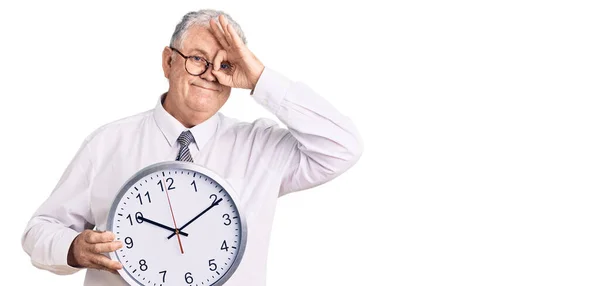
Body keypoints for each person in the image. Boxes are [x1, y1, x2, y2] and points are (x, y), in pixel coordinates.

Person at [21, 8, 362, 286]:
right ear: (169, 61)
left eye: (226, 64)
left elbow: (343, 146)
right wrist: (72, 248)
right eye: (198, 59)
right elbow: (40, 229)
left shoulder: (263, 147)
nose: (212, 74)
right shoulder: (108, 143)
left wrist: (260, 78)